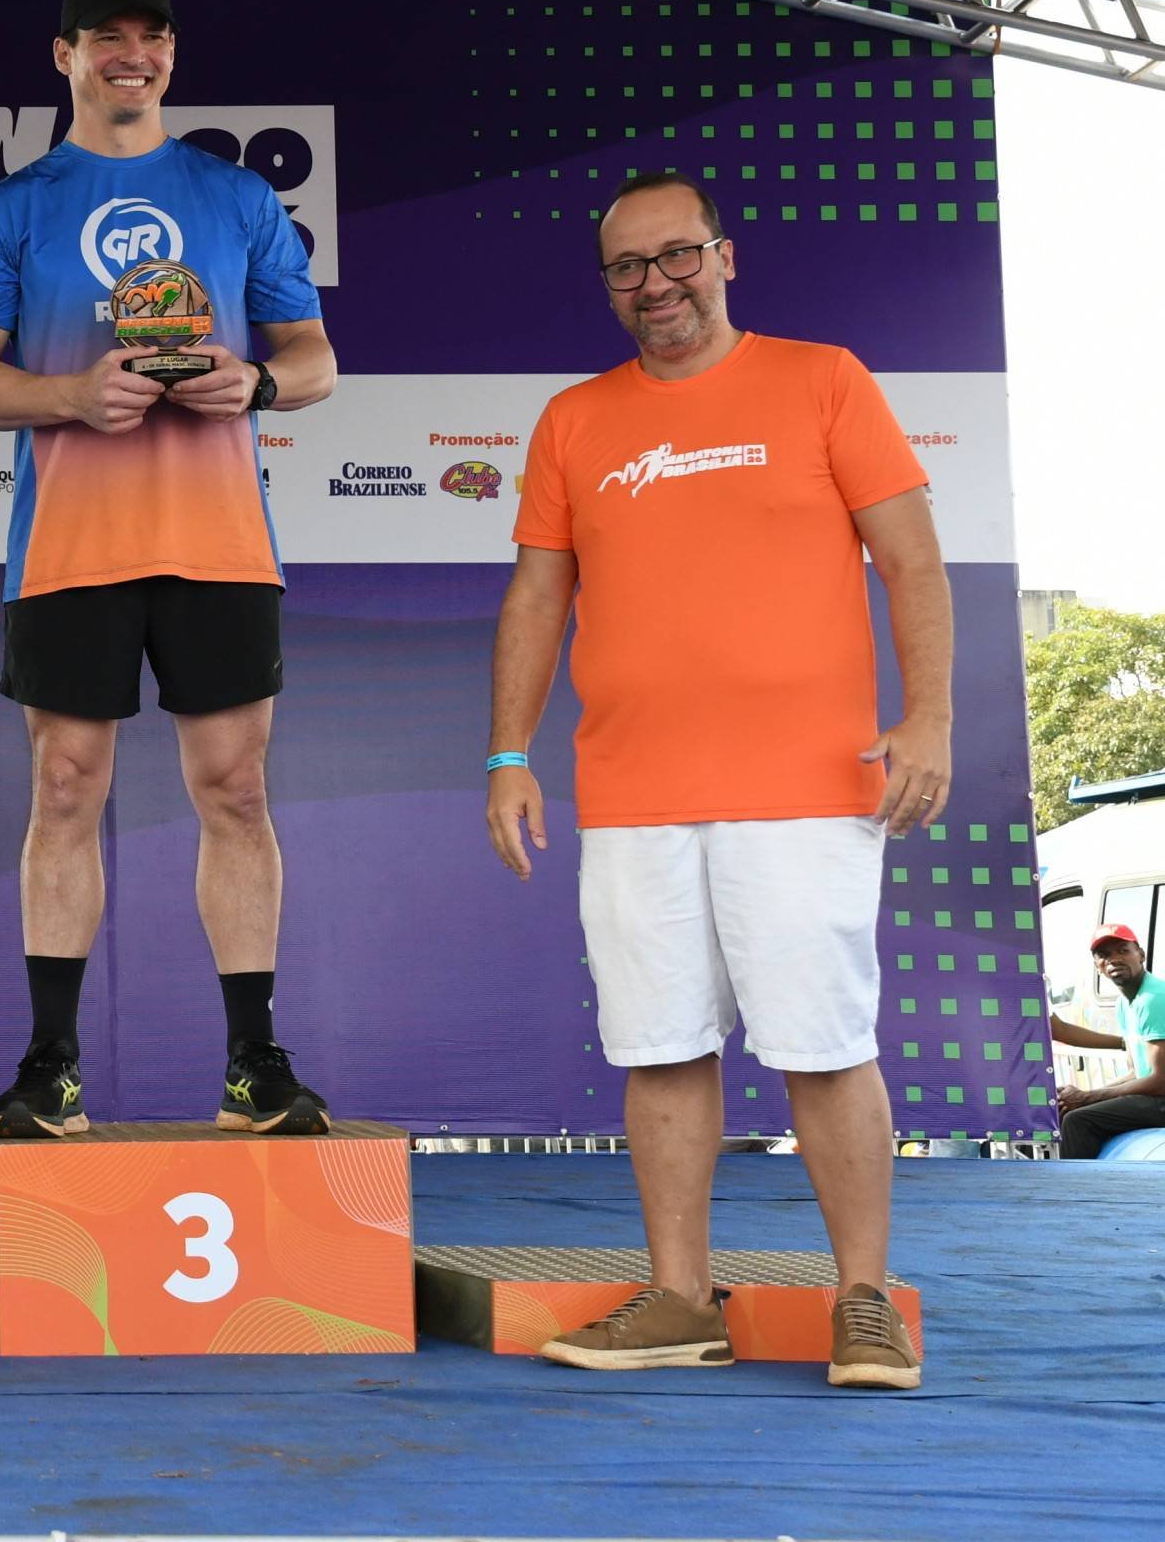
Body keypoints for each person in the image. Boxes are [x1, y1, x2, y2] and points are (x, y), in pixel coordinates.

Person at [486, 170, 947, 1391]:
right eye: (629, 268)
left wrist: (931, 718)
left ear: (725, 256)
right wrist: (508, 754)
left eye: (677, 256)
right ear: (609, 287)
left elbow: (909, 560)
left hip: (807, 785)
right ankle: (681, 1300)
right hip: (633, 791)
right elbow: (538, 595)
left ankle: (862, 1302)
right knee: (659, 1045)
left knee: (824, 1044)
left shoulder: (824, 378)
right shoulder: (575, 419)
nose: (657, 285)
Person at [0, 0, 336, 1142]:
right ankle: (51, 1067)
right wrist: (69, 395)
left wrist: (253, 379)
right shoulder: (12, 207)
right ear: (61, 55)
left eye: (151, 37)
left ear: (172, 55)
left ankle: (255, 1065)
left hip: (218, 540)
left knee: (237, 789)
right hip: (70, 543)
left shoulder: (233, 197)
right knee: (64, 790)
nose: (132, 55)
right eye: (106, 37)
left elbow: (312, 358)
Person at [1049, 923, 1165, 1157]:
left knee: (1077, 1121)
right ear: (1097, 966)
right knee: (1065, 1111)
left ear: (1140, 955)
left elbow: (1160, 1082)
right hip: (1154, 1097)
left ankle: (1078, 1192)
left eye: (1123, 950)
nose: (1114, 959)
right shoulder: (1125, 1002)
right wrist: (1082, 1094)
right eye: (1104, 955)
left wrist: (1087, 1098)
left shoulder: (1153, 998)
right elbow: (1137, 1072)